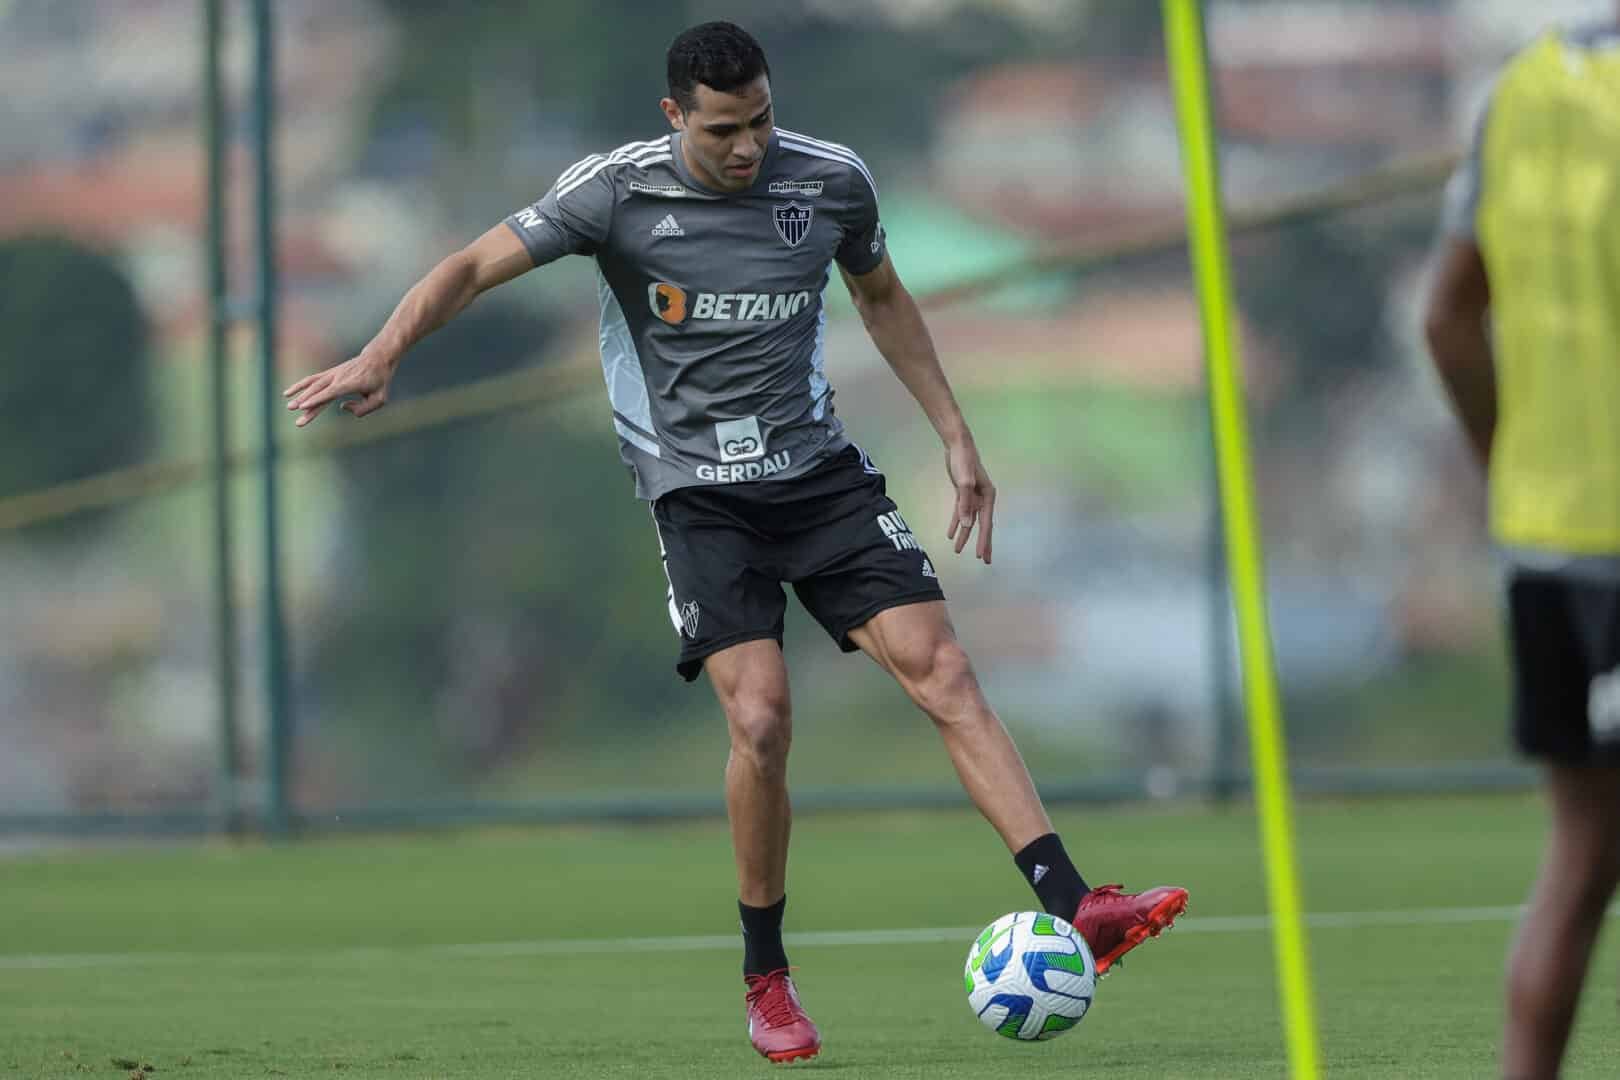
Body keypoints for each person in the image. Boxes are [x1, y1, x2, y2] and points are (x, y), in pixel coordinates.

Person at [285, 21, 1187, 1065]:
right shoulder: (613, 193)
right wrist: (381, 351)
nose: (749, 146)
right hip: (698, 497)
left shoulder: (831, 182)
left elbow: (883, 297)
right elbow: (470, 266)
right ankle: (767, 976)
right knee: (761, 720)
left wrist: (953, 432)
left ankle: (1079, 906)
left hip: (819, 477)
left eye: (760, 120)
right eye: (724, 131)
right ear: (677, 118)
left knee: (945, 670)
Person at [1425, 16, 1620, 1080]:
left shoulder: (1523, 88)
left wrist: (1513, 465)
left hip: (1546, 536)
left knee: (1584, 853)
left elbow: (1447, 320)